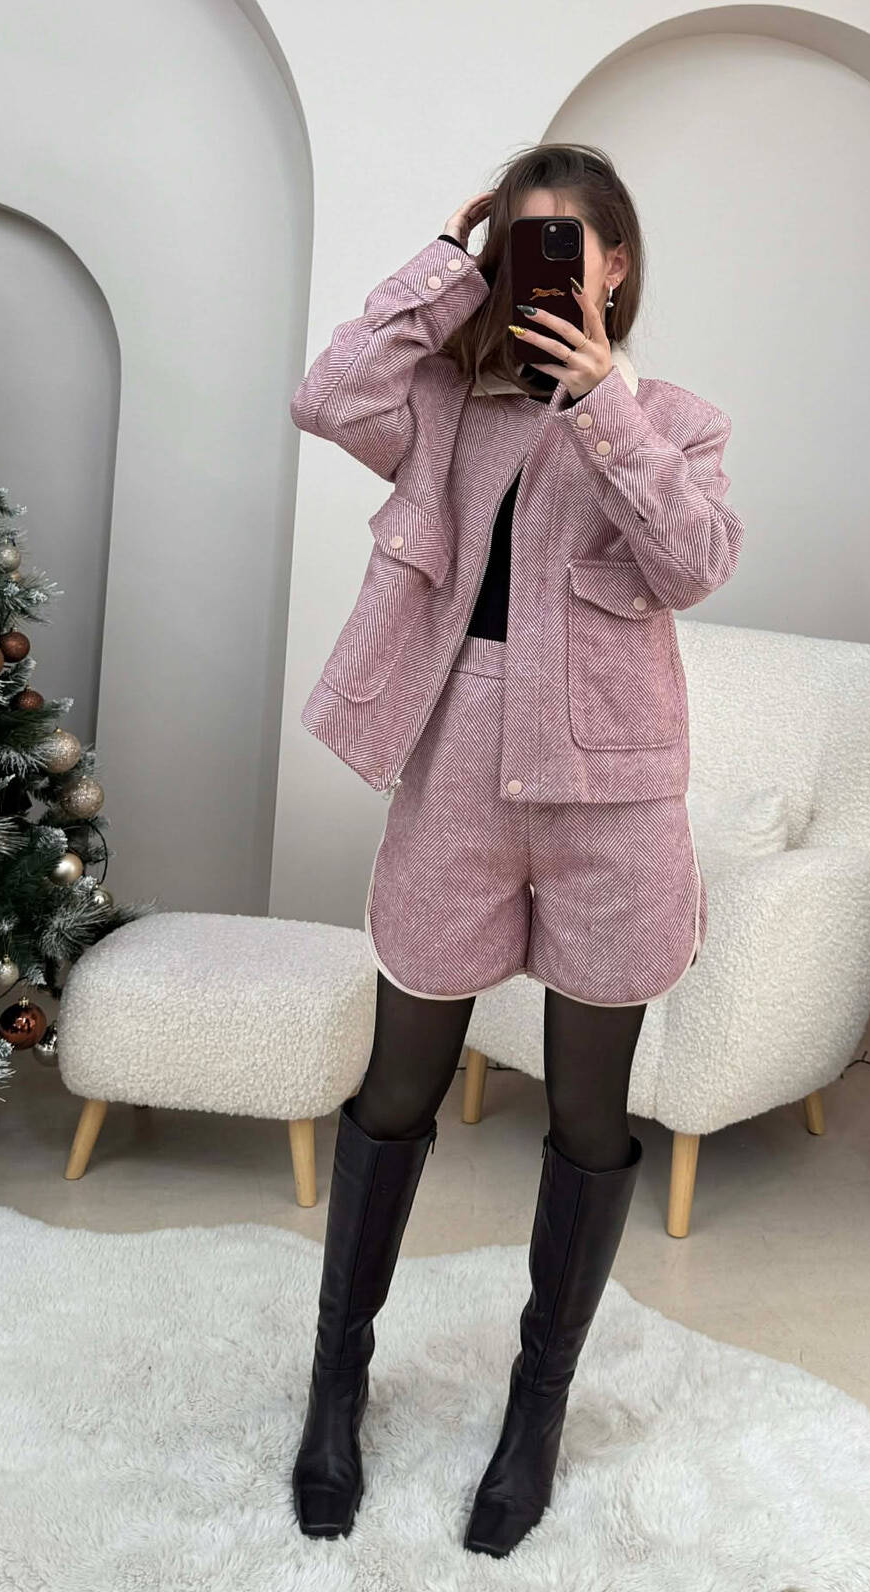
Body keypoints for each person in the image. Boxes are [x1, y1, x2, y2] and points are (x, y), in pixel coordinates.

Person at [289, 143, 744, 1555]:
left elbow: (695, 563)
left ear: (614, 265)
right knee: (397, 1087)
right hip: (457, 777)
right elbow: (328, 394)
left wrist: (605, 406)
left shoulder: (675, 421)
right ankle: (335, 1389)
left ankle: (535, 1412)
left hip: (616, 802)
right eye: (518, 247)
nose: (540, 268)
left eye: (567, 244)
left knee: (591, 1117)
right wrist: (444, 262)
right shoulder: (446, 399)